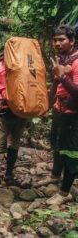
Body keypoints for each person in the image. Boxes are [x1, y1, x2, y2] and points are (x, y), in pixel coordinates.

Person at [0, 49, 28, 193]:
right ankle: (9, 175)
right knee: (14, 143)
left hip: (4, 110)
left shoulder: (0, 66)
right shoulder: (25, 65)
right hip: (22, 111)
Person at [47, 25, 78, 204]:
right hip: (60, 110)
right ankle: (55, 175)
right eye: (55, 40)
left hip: (73, 114)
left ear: (72, 41)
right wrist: (49, 103)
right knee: (56, 144)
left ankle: (64, 192)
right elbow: (56, 84)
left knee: (71, 152)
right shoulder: (62, 59)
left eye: (62, 40)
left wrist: (63, 76)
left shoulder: (75, 61)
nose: (57, 43)